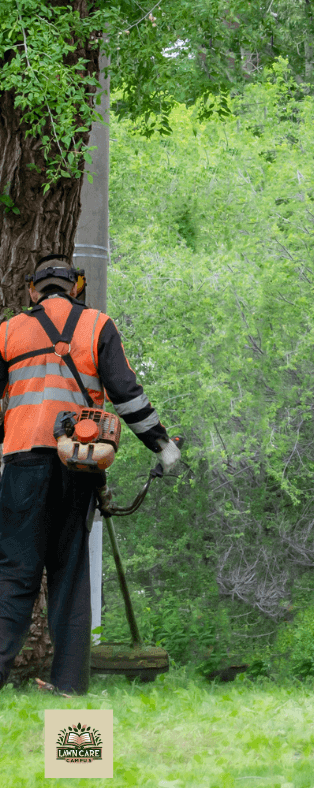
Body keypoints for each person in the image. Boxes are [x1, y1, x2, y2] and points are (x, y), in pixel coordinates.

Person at [0, 254, 180, 695]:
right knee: (70, 575)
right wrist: (162, 444)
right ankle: (69, 687)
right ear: (75, 287)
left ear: (32, 290)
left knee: (14, 576)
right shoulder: (97, 325)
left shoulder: (7, 331)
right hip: (77, 466)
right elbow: (127, 395)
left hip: (22, 464)